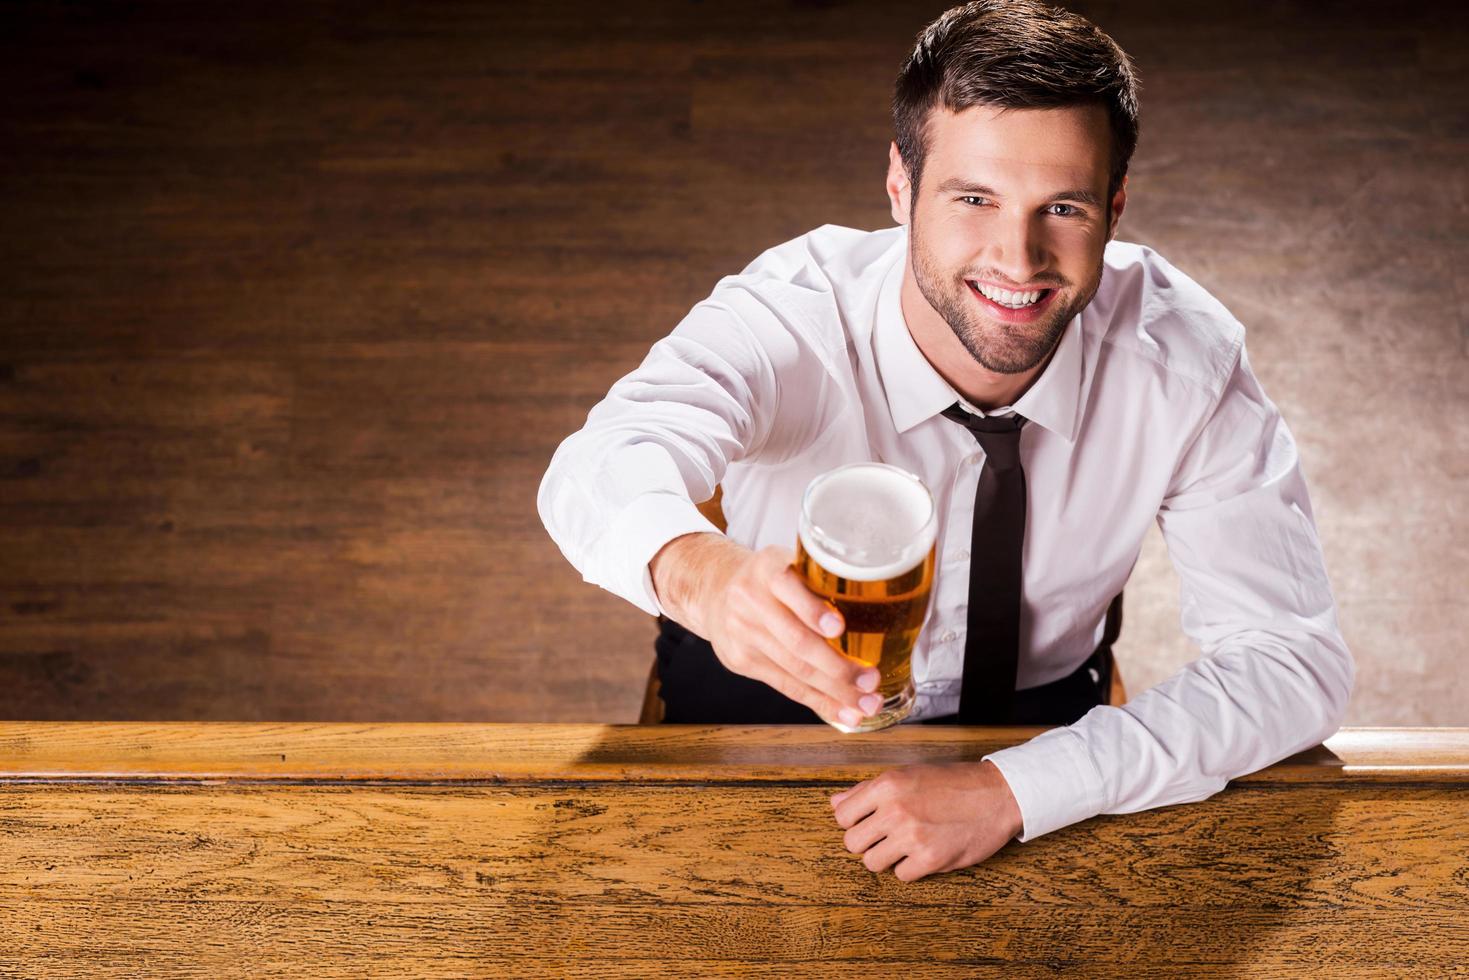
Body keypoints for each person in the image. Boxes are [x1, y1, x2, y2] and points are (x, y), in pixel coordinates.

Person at [537, 0, 1353, 882]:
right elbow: (598, 461)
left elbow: (1291, 660)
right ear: (899, 187)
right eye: (973, 198)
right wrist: (705, 577)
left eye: (1064, 208)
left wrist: (1016, 787)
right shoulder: (791, 310)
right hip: (757, 706)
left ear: (1115, 207)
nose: (1018, 258)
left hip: (1041, 730)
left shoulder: (1183, 359)